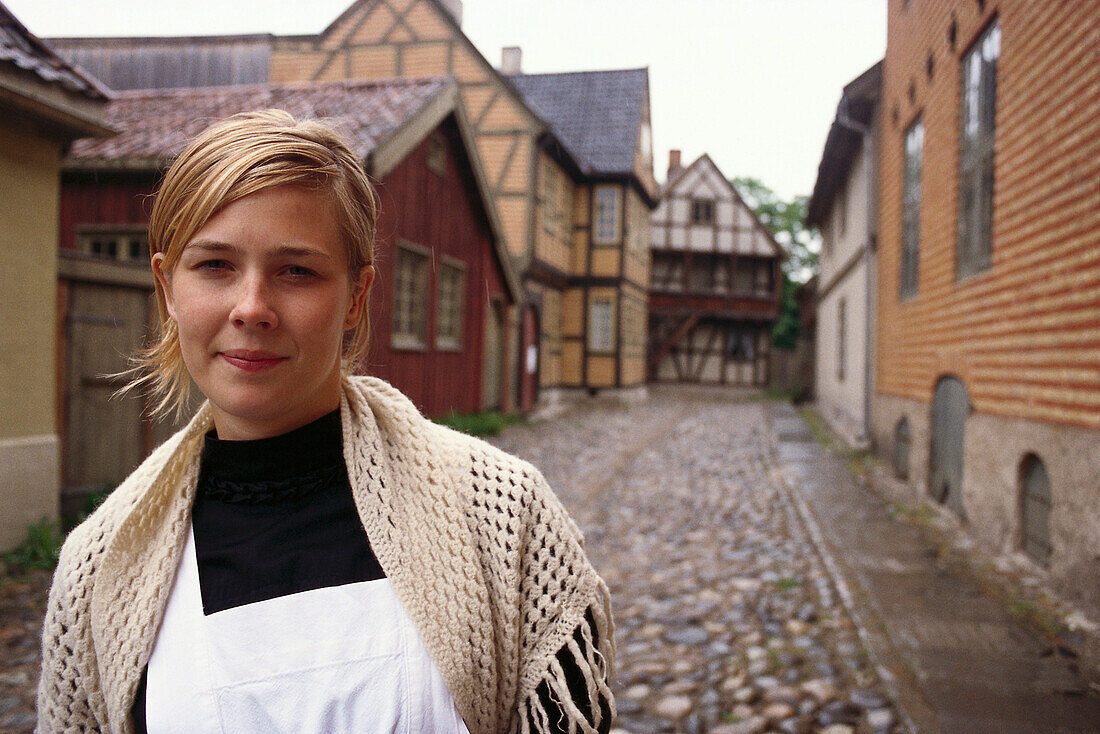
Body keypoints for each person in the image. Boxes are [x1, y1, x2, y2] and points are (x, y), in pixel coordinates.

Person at [36, 110, 614, 734]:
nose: (252, 308)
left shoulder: (503, 516)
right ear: (167, 288)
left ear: (356, 296)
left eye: (297, 271)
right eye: (214, 266)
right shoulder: (99, 570)